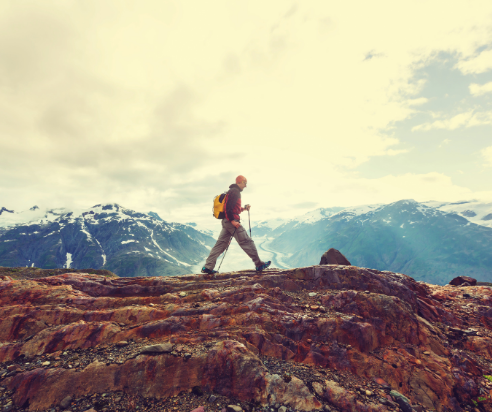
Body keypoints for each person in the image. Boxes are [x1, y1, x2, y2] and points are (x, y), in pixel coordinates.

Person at [201, 175, 271, 274]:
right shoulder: (235, 191)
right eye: (245, 183)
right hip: (231, 222)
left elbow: (233, 208)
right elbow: (228, 208)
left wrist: (244, 209)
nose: (245, 186)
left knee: (220, 244)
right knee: (247, 242)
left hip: (226, 222)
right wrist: (233, 221)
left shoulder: (232, 191)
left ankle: (208, 267)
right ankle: (259, 264)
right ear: (240, 182)